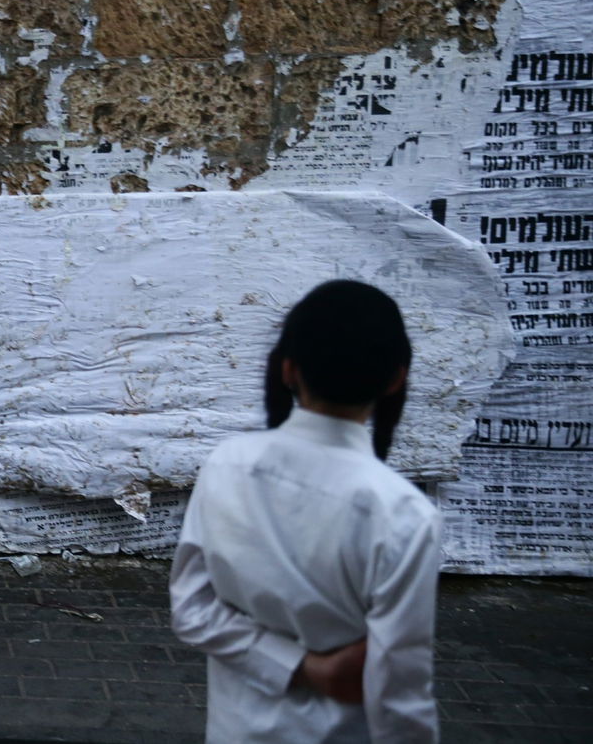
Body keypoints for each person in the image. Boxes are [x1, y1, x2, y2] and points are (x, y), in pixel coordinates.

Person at [170, 280, 440, 743]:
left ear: (288, 370)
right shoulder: (404, 514)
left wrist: (294, 666)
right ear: (396, 379)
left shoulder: (227, 463)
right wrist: (311, 670)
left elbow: (192, 610)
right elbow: (400, 696)